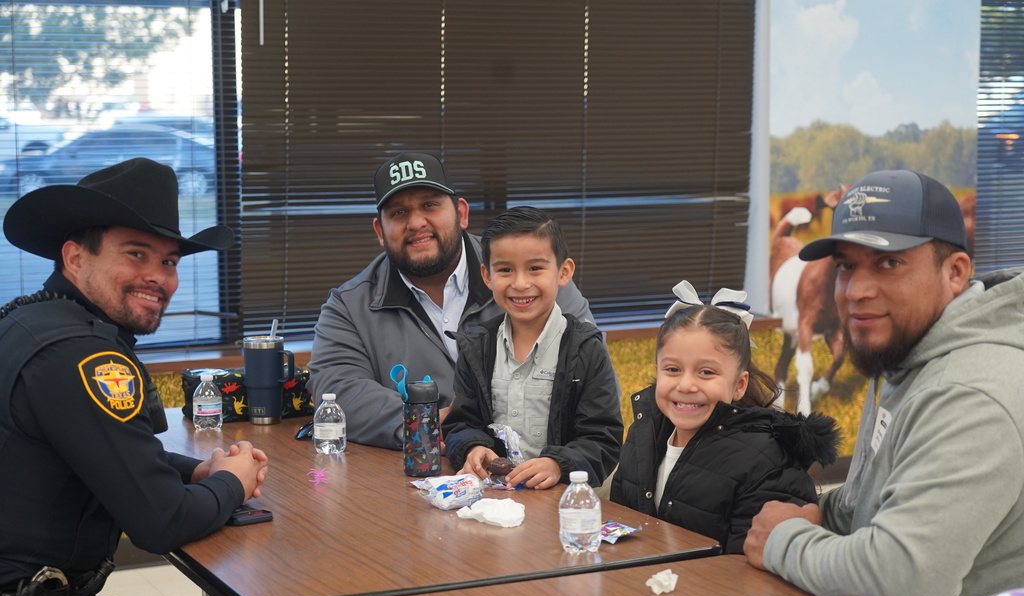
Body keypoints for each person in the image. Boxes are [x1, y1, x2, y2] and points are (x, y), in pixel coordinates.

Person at [0, 158, 269, 596]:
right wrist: (233, 483)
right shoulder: (85, 355)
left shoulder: (33, 321)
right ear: (75, 257)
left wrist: (196, 471)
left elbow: (97, 448)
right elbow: (161, 522)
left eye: (168, 261)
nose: (158, 277)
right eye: (135, 253)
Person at [744, 169, 1024, 596]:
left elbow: (901, 581)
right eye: (846, 267)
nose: (856, 291)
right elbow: (867, 506)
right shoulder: (904, 357)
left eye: (889, 263)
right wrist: (807, 510)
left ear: (955, 272)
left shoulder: (972, 394)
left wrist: (782, 539)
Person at [307, 153, 595, 449]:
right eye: (398, 212)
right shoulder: (349, 307)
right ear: (380, 231)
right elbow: (338, 389)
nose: (416, 222)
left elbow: (587, 368)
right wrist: (426, 423)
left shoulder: (534, 275)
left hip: (547, 459)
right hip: (428, 466)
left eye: (430, 205)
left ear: (461, 214)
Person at [610, 281, 839, 553]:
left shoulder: (765, 463)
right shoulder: (643, 433)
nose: (686, 385)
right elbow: (620, 527)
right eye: (672, 369)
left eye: (706, 372)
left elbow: (751, 564)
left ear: (739, 385)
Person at [442, 207, 621, 489]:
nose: (521, 283)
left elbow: (602, 439)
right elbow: (461, 423)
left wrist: (558, 464)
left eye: (535, 268)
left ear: (563, 272)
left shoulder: (586, 349)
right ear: (487, 276)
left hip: (559, 499)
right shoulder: (477, 346)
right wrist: (472, 447)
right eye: (505, 270)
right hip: (493, 498)